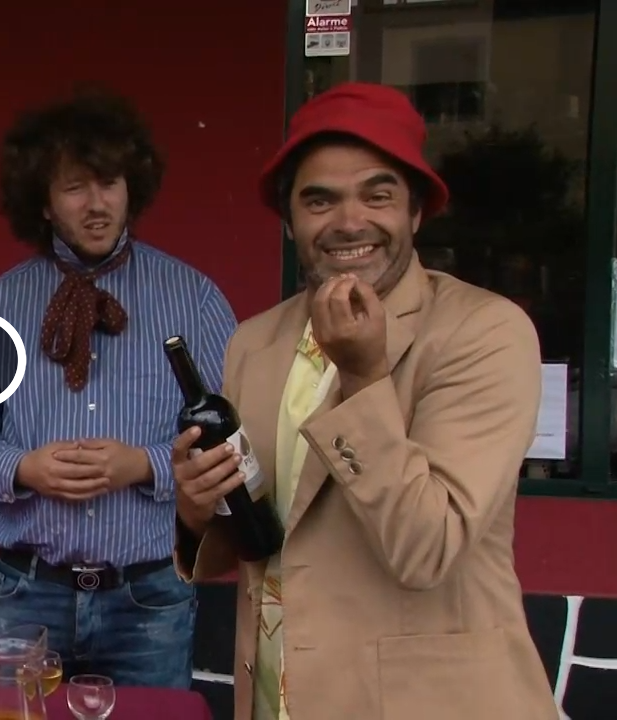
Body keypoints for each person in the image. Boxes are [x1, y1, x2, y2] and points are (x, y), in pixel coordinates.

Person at [170, 82, 558, 719]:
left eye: (377, 195)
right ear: (289, 221)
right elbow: (260, 537)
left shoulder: (484, 332)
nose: (349, 222)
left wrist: (363, 378)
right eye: (318, 200)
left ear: (416, 212)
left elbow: (427, 548)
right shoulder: (255, 341)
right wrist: (196, 509)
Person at [0, 88, 237, 689]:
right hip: (27, 594)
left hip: (150, 596)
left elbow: (234, 431)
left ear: (131, 187)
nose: (97, 205)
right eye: (74, 188)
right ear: (43, 203)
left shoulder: (192, 299)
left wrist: (146, 465)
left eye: (110, 183)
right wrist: (21, 468)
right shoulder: (0, 306)